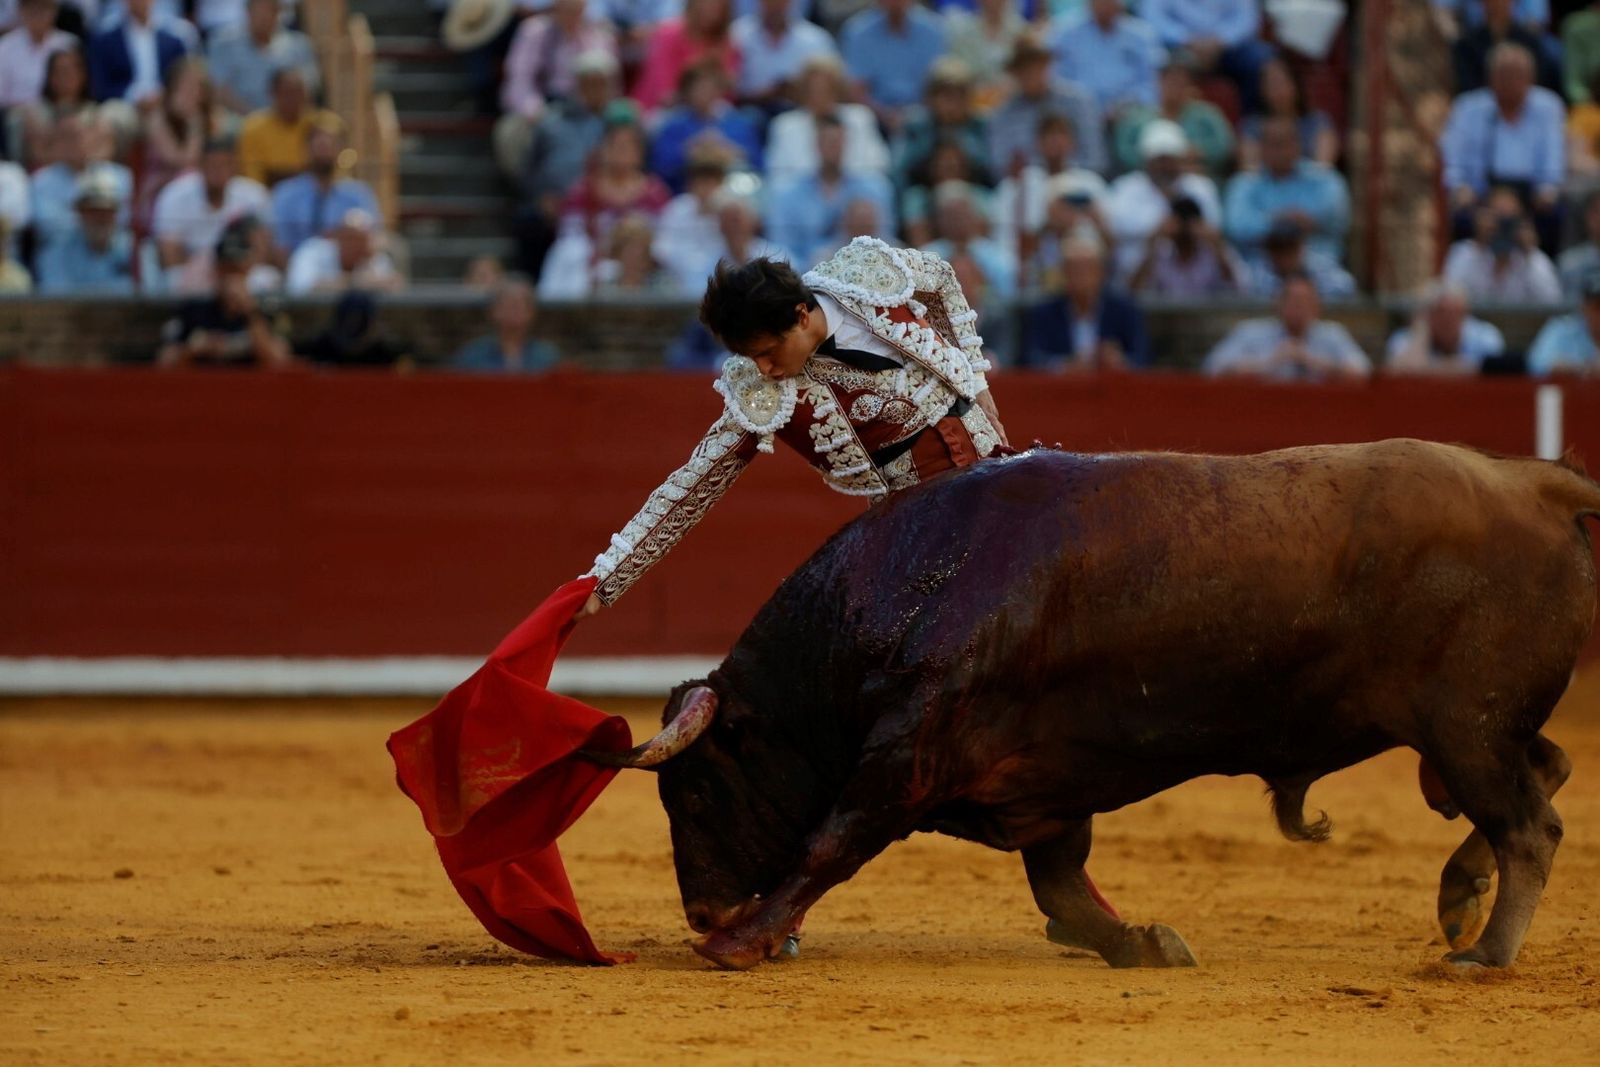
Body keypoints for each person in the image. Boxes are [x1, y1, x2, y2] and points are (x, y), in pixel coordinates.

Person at [577, 239, 1010, 656]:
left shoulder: (865, 273)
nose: (764, 368)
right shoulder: (762, 393)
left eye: (768, 351)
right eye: (751, 358)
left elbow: (940, 278)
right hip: (918, 515)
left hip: (993, 458)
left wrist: (976, 376)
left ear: (802, 316)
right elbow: (693, 485)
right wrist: (605, 580)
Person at [1439, 42, 1565, 253]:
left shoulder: (1548, 107)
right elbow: (1451, 160)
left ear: (1530, 77)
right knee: (1456, 216)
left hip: (1530, 200)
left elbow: (1553, 163)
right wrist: (1459, 188)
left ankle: (1543, 268)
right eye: (1503, 75)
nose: (1510, 82)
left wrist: (1547, 191)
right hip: (1479, 199)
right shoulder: (1468, 107)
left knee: (1556, 215)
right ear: (1491, 77)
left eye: (1517, 75)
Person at [495, 0, 617, 178]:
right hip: (544, 107)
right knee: (510, 133)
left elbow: (610, 85)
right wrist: (536, 112)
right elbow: (518, 81)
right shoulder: (534, 31)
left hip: (587, 110)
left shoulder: (600, 33)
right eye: (566, 6)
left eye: (577, 7)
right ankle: (532, 195)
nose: (571, 11)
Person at [766, 114, 894, 267]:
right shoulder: (787, 194)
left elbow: (885, 239)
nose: (834, 148)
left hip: (865, 272)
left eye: (838, 142)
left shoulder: (874, 189)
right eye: (829, 142)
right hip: (803, 279)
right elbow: (781, 248)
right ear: (816, 144)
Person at [1223, 115, 1350, 267]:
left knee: (1341, 284)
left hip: (1315, 263)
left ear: (1298, 146)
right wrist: (1278, 221)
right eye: (1274, 145)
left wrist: (1309, 221)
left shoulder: (1324, 180)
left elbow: (1337, 220)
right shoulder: (1243, 184)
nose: (1280, 151)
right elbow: (1236, 227)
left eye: (1285, 144)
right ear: (1262, 148)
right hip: (1259, 266)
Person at [1103, 118, 1221, 281]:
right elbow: (1118, 226)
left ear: (1181, 160)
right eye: (1159, 160)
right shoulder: (1125, 188)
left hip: (1193, 273)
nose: (1165, 167)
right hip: (1136, 275)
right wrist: (1159, 230)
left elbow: (1211, 226)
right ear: (1147, 160)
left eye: (1170, 160)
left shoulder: (1200, 187)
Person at [156, 229, 293, 369]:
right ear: (216, 271)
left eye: (238, 271)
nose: (232, 279)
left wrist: (250, 312)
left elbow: (279, 361)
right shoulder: (195, 309)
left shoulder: (266, 308)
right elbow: (165, 361)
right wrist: (193, 350)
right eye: (227, 270)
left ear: (248, 270)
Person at [1202, 272, 1371, 381]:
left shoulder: (1332, 333)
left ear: (1316, 307)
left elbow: (1362, 371)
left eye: (1305, 302)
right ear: (1278, 304)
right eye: (1293, 301)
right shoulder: (1250, 332)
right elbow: (1213, 367)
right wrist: (1268, 363)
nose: (1299, 308)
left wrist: (1311, 360)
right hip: (1257, 408)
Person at [150, 133, 269, 286]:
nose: (219, 171)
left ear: (236, 165)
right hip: (191, 269)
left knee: (265, 277)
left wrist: (233, 269)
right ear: (200, 165)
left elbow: (262, 251)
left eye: (226, 164)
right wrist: (206, 266)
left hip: (239, 270)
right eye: (213, 164)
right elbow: (170, 256)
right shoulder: (174, 195)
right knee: (175, 278)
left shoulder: (254, 196)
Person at [1021, 235, 1148, 371]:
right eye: (1073, 269)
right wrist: (1064, 366)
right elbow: (1030, 358)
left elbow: (1143, 358)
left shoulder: (1124, 310)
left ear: (1101, 272)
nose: (1080, 276)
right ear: (1063, 273)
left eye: (1087, 269)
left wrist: (1119, 361)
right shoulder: (1044, 313)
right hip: (1061, 389)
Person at [987, 32, 1106, 176]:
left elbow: (1095, 159)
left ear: (1047, 65)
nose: (1031, 73)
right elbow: (999, 167)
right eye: (1023, 67)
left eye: (1036, 65)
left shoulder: (1078, 101)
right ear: (1014, 73)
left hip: (1076, 181)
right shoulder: (1003, 115)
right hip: (1027, 186)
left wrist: (1060, 169)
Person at [764, 53, 889, 182]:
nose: (819, 96)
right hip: (802, 198)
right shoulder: (785, 125)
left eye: (826, 89)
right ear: (803, 92)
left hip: (855, 196)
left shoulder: (860, 118)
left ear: (837, 90)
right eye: (813, 90)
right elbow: (777, 174)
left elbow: (877, 166)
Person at [1139, 0, 1274, 113]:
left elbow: (1247, 18)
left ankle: (1248, 122)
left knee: (1259, 59)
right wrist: (1186, 39)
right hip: (1178, 45)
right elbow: (1152, 17)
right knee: (1156, 59)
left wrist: (1221, 40)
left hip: (1226, 46)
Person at [648, 60, 762, 193]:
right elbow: (660, 167)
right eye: (698, 87)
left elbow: (758, 165)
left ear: (719, 90)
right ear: (687, 92)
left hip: (733, 194)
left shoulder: (739, 124)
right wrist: (689, 151)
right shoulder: (673, 126)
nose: (704, 93)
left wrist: (732, 152)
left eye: (710, 87)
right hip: (686, 194)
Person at [270, 116, 379, 255]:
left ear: (341, 150)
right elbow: (279, 244)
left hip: (349, 268)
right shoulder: (285, 193)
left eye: (330, 145)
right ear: (306, 149)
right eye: (319, 146)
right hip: (298, 267)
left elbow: (374, 237)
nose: (324, 151)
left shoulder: (358, 194)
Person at [1112, 58, 1234, 179]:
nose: (1175, 88)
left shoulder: (1206, 115)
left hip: (1199, 176)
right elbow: (1124, 152)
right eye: (1170, 82)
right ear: (1159, 83)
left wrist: (1199, 152)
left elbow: (1224, 145)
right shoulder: (1137, 118)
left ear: (1189, 85)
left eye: (1181, 83)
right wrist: (1161, 159)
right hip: (1148, 180)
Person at [1440, 185, 1562, 302]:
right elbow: (1448, 299)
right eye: (1497, 218)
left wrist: (1528, 255)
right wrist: (1480, 245)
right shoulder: (1465, 253)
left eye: (1509, 219)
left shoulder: (1533, 259)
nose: (1502, 226)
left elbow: (1552, 303)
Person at [890, 56, 991, 194]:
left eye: (959, 96)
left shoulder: (980, 125)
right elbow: (898, 171)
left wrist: (960, 139)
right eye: (946, 96)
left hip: (973, 195)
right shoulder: (915, 125)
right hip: (925, 196)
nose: (953, 104)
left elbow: (991, 172)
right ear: (931, 98)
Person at [1048, 0, 1164, 119]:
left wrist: (1125, 104)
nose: (1104, 5)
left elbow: (1152, 83)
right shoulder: (1064, 33)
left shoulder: (1141, 35)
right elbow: (1055, 78)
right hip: (1076, 111)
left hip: (1128, 113)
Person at [839, 0, 946, 129]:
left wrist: (913, 117)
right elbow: (857, 90)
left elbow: (938, 84)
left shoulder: (934, 29)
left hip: (927, 118)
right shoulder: (857, 31)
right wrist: (885, 116)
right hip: (874, 120)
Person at [205, 0, 319, 116]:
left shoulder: (299, 45)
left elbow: (308, 90)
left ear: (279, 12)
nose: (264, 16)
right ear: (248, 11)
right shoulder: (224, 43)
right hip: (238, 122)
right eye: (259, 10)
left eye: (269, 10)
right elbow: (219, 90)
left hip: (288, 121)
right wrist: (255, 120)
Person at [34, 165, 136, 294]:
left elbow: (146, 296)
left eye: (107, 211)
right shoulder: (56, 253)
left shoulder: (134, 250)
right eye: (91, 211)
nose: (100, 218)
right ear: (79, 213)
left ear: (117, 213)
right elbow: (57, 299)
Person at [631, 0, 738, 115]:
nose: (711, 10)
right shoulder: (667, 35)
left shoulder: (727, 44)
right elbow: (665, 93)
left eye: (717, 6)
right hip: (657, 112)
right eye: (706, 4)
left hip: (708, 115)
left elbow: (728, 93)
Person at [1128, 193, 1244, 297]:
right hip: (1168, 320)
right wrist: (1152, 242)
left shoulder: (1214, 252)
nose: (1185, 230)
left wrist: (1218, 245)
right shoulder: (1160, 253)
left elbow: (1239, 289)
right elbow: (1132, 291)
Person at [728, 0, 835, 112]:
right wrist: (763, 94)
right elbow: (726, 87)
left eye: (781, 2)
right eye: (770, 2)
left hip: (802, 112)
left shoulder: (815, 39)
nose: (776, 6)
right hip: (748, 109)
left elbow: (833, 85)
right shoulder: (737, 34)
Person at [237, 66, 334, 187]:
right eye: (287, 93)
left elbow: (335, 172)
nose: (293, 99)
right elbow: (254, 181)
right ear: (273, 94)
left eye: (299, 92)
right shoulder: (254, 127)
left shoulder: (324, 123)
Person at [1237, 56, 1337, 171]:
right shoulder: (1252, 126)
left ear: (1295, 84)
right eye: (1271, 84)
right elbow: (1250, 169)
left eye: (1282, 82)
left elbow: (1323, 168)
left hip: (1308, 186)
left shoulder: (1318, 122)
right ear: (1262, 90)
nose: (1278, 90)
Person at [1385, 281, 1505, 375]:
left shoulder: (1486, 336)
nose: (1448, 320)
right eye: (1440, 313)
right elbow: (1402, 371)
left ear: (1465, 314)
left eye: (1456, 313)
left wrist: (1428, 369)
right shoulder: (1404, 338)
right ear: (1428, 315)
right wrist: (1421, 330)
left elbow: (1489, 371)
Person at [8, 43, 98, 169]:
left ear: (83, 75)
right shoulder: (34, 113)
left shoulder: (95, 113)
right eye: (60, 72)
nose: (65, 78)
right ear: (50, 77)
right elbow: (36, 153)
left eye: (71, 71)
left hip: (87, 176)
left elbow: (95, 153)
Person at [451, 274, 561, 372]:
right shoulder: (472, 356)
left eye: (519, 305)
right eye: (507, 305)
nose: (513, 312)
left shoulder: (548, 357)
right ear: (493, 311)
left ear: (532, 312)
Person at [87, 0, 188, 106]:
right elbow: (100, 86)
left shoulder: (173, 42)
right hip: (123, 106)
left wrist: (162, 95)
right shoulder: (105, 41)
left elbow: (180, 79)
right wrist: (134, 97)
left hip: (165, 105)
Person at [284, 207, 402, 296]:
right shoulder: (313, 250)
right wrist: (354, 282)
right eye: (349, 238)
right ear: (338, 237)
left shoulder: (372, 256)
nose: (354, 245)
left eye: (360, 240)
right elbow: (300, 286)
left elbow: (395, 284)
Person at [943, 0, 1026, 108]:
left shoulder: (1022, 32)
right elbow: (956, 72)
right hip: (971, 103)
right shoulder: (961, 32)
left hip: (1012, 104)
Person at [1246, 219, 1356, 299]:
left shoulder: (1318, 265)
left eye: (1289, 249)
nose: (1284, 257)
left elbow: (1346, 285)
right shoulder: (1259, 271)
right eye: (1278, 250)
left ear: (1301, 247)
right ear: (1269, 251)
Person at [0, 0, 73, 112]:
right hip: (18, 114)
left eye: (44, 9)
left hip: (63, 111)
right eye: (32, 10)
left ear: (55, 12)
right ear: (21, 11)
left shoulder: (68, 44)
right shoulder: (5, 47)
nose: (38, 15)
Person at [1527, 267, 1600, 372]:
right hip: (1571, 387)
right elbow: (1536, 363)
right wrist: (1577, 369)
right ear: (1583, 307)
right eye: (1597, 307)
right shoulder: (1561, 330)